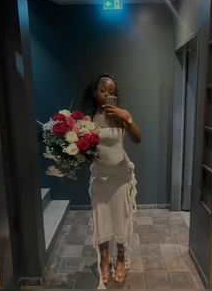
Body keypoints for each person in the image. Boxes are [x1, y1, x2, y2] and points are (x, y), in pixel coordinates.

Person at [81, 73, 141, 289]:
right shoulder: (87, 119)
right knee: (102, 219)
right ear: (95, 92)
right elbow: (84, 150)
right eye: (103, 91)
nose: (107, 95)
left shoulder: (120, 116)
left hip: (120, 177)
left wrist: (128, 118)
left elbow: (137, 138)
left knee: (121, 219)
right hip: (100, 177)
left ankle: (121, 259)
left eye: (111, 92)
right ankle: (105, 261)